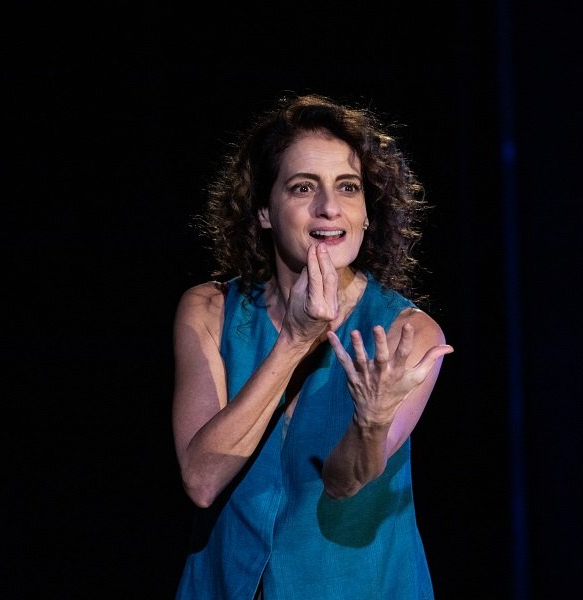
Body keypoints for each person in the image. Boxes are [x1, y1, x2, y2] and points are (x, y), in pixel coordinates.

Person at [171, 92, 453, 599]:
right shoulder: (209, 310)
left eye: (348, 187)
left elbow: (344, 484)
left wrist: (370, 422)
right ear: (263, 210)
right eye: (303, 187)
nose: (329, 207)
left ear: (367, 213)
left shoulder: (408, 333)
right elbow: (201, 481)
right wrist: (295, 340)